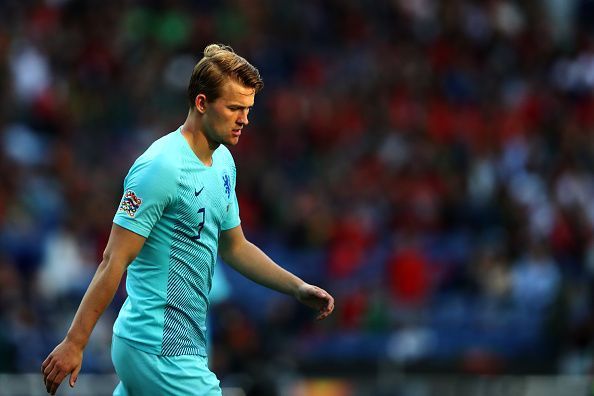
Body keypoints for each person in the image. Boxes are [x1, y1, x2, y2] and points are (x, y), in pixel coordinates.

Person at [41, 44, 335, 396]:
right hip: (158, 347)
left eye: (248, 109)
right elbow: (113, 259)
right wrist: (75, 342)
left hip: (182, 346)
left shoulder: (224, 162)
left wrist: (296, 287)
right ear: (201, 103)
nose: (245, 119)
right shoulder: (160, 167)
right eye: (234, 108)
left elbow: (235, 246)